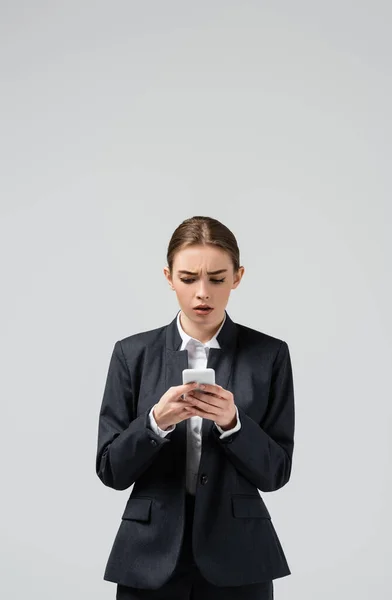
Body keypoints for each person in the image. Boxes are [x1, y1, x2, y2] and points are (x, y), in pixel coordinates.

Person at [96, 215, 295, 599]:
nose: (202, 292)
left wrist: (234, 424)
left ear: (237, 277)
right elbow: (110, 470)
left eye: (217, 279)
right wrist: (155, 423)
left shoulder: (269, 355)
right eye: (188, 279)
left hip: (239, 557)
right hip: (148, 555)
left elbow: (276, 473)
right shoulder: (132, 354)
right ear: (169, 277)